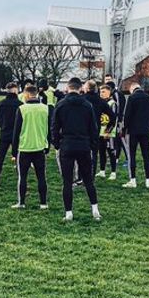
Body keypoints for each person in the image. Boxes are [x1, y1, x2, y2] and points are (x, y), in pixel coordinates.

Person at [52, 77, 101, 222]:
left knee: (67, 181)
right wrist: (92, 145)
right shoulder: (87, 105)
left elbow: (54, 127)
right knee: (88, 180)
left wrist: (56, 144)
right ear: (80, 88)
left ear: (68, 87)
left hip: (67, 145)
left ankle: (68, 212)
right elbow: (93, 128)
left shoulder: (61, 104)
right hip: (84, 145)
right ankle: (95, 209)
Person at [11, 85, 49, 209]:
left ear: (26, 95)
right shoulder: (45, 108)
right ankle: (43, 203)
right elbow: (49, 128)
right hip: (40, 147)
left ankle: (21, 202)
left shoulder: (22, 109)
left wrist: (14, 151)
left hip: (24, 148)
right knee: (41, 176)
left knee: (22, 177)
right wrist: (47, 145)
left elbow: (16, 132)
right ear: (36, 94)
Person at [121, 83, 149, 188]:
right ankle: (148, 180)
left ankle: (133, 180)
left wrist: (124, 129)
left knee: (132, 156)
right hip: (145, 131)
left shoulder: (132, 98)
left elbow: (127, 115)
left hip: (133, 131)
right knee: (147, 156)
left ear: (132, 89)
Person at [0, 82, 23, 187]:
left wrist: (3, 126)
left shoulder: (1, 103)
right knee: (19, 159)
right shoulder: (20, 104)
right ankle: (21, 182)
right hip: (17, 135)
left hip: (4, 133)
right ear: (16, 90)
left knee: (0, 158)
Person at [83, 79, 109, 180]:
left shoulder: (82, 99)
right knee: (94, 153)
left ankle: (81, 176)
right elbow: (112, 116)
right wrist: (108, 130)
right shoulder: (101, 101)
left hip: (83, 130)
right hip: (96, 130)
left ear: (87, 88)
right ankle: (91, 175)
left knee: (83, 154)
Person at [95, 85, 118, 180]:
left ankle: (113, 172)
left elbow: (113, 118)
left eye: (104, 92)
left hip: (109, 132)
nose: (102, 94)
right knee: (101, 151)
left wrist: (108, 131)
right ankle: (102, 170)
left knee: (111, 151)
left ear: (109, 92)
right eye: (100, 92)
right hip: (100, 131)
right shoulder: (100, 103)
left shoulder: (113, 103)